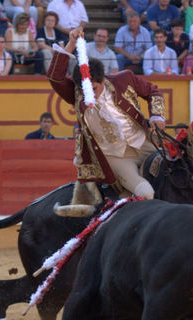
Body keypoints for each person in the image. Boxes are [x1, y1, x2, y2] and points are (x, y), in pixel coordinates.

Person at [47, 26, 166, 199]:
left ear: (102, 80)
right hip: (116, 156)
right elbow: (54, 76)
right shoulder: (76, 93)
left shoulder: (124, 79)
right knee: (146, 193)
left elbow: (153, 91)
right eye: (84, 89)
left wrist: (157, 115)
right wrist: (71, 45)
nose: (89, 95)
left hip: (144, 143)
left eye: (93, 88)